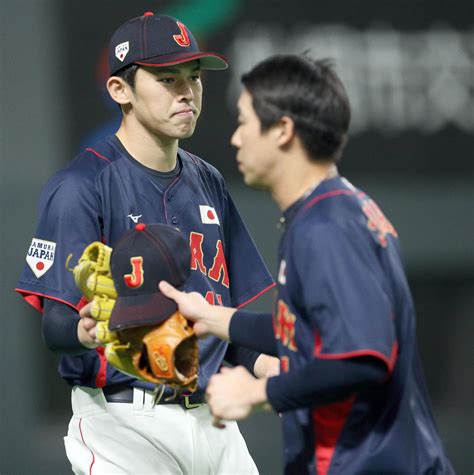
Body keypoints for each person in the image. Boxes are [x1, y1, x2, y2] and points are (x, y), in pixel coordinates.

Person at [159, 54, 455, 474]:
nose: (236, 139)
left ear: (282, 130)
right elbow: (313, 333)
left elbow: (361, 357)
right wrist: (215, 319)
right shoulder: (333, 210)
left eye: (244, 122)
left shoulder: (326, 228)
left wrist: (259, 393)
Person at [16, 12, 277, 475]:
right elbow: (55, 325)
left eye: (193, 78)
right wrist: (83, 330)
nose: (187, 92)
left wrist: (269, 369)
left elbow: (223, 327)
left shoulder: (208, 182)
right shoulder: (82, 186)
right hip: (125, 423)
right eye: (166, 78)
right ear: (120, 90)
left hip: (215, 422)